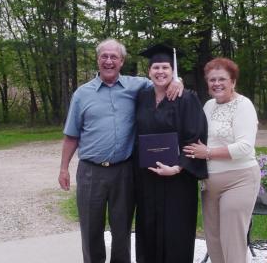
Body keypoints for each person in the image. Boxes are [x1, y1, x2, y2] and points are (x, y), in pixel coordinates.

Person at [58, 39, 183, 263]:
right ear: (98, 60)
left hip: (124, 171)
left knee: (122, 229)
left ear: (122, 61)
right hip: (90, 172)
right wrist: (63, 168)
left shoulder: (137, 86)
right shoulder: (82, 94)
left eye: (114, 57)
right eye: (104, 56)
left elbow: (161, 80)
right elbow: (71, 136)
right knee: (90, 229)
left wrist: (178, 81)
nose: (108, 61)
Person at [134, 44, 208, 263]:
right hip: (147, 178)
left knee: (176, 232)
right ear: (148, 72)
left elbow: (195, 137)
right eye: (155, 67)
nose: (160, 71)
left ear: (173, 70)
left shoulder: (187, 99)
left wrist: (177, 167)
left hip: (178, 180)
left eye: (165, 67)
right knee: (148, 228)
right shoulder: (142, 97)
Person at [183, 57, 261, 263]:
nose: (216, 83)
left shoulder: (244, 106)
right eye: (212, 80)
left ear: (233, 81)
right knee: (214, 240)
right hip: (210, 184)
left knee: (232, 239)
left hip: (239, 181)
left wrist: (207, 152)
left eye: (222, 79)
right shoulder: (208, 106)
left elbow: (244, 147)